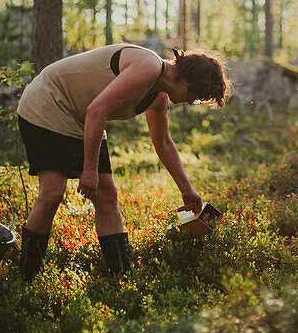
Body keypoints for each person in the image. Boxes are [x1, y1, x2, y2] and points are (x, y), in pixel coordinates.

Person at [15, 43, 231, 281]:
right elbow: (97, 110)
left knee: (106, 193)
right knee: (53, 193)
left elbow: (164, 143)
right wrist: (89, 170)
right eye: (197, 98)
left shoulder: (158, 95)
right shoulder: (148, 68)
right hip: (48, 102)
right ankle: (27, 277)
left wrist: (187, 190)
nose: (192, 103)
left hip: (79, 116)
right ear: (189, 84)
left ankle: (119, 276)